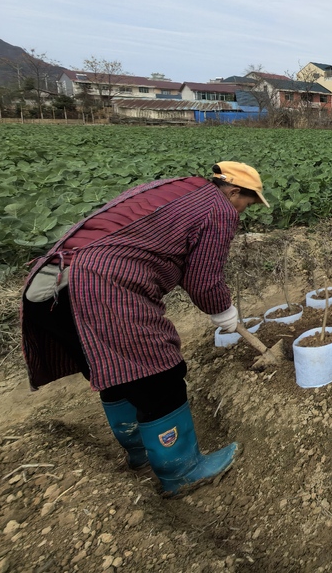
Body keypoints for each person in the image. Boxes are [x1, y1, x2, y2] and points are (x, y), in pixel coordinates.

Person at [19, 162, 269, 498]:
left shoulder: (180, 188)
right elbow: (203, 281)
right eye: (247, 203)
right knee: (159, 373)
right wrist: (223, 311)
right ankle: (182, 470)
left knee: (112, 368)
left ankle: (140, 451)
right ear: (235, 191)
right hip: (99, 287)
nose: (243, 211)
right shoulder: (218, 208)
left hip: (50, 285)